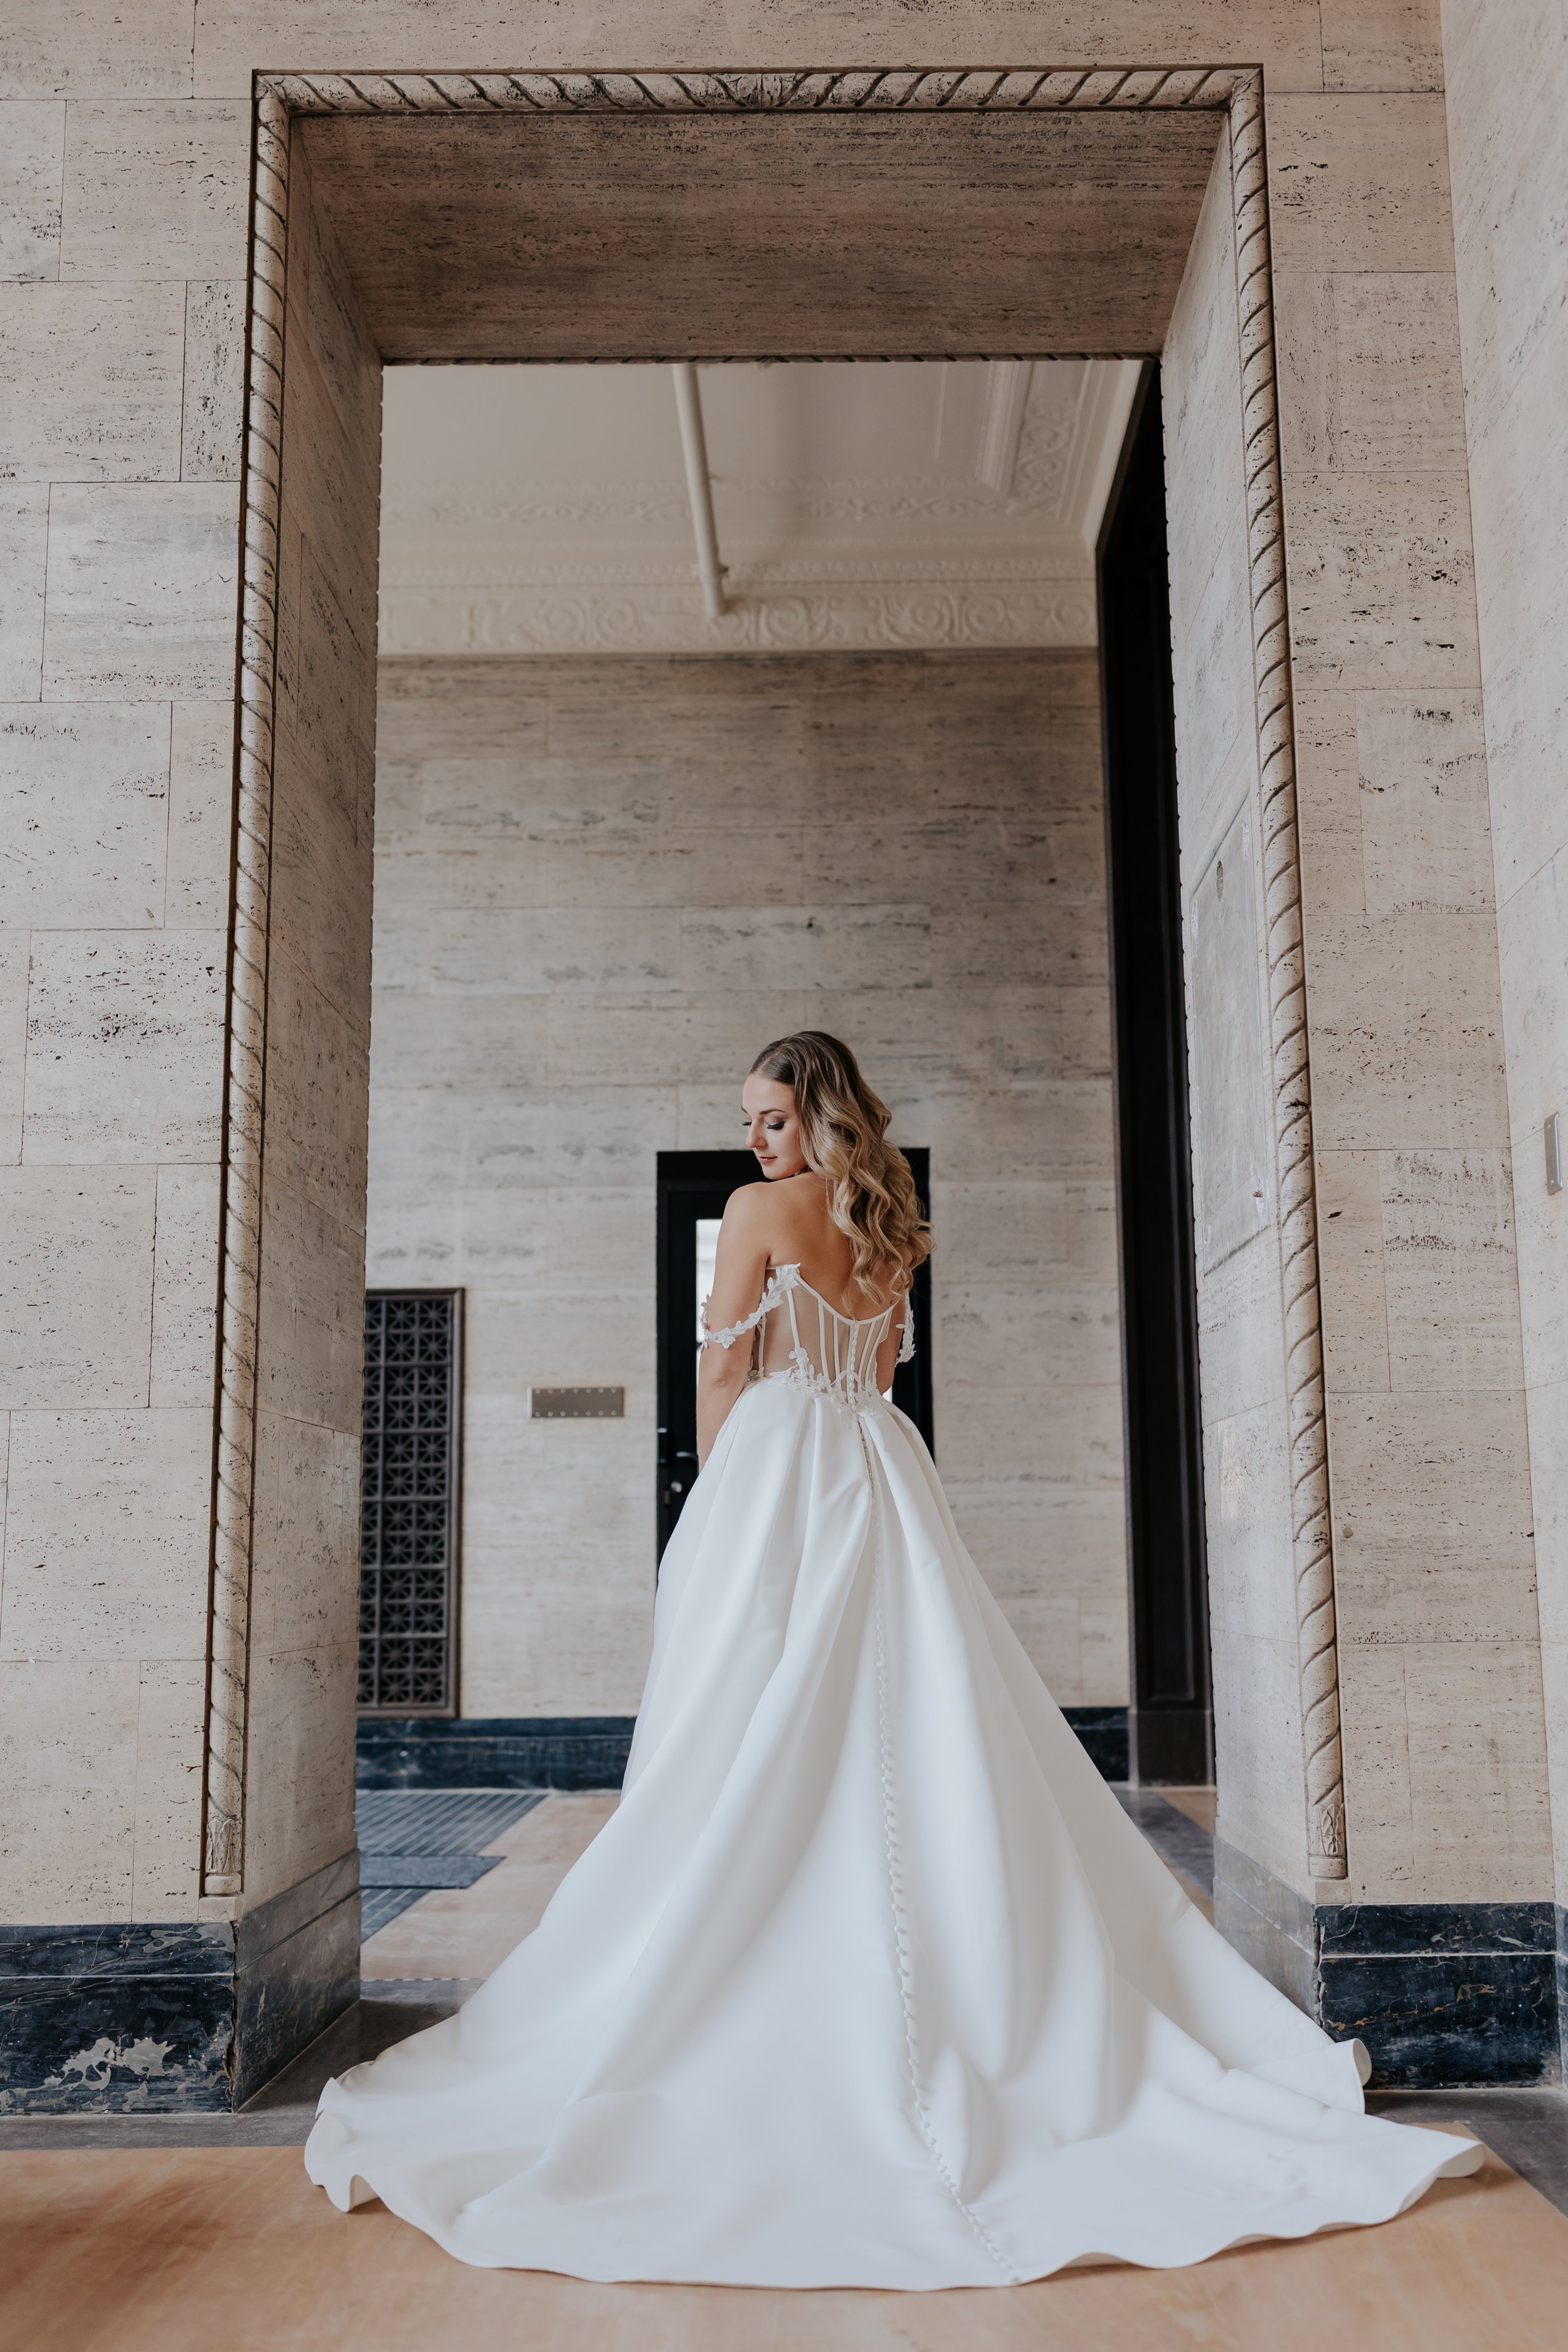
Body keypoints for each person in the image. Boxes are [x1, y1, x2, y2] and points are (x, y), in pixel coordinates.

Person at [305, 1030, 1475, 2285]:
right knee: (913, 1718)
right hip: (878, 1469)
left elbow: (723, 1365)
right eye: (748, 1124)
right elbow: (871, 1373)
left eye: (766, 1118)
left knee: (750, 1717)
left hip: (778, 1472)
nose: (751, 1141)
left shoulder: (756, 1213)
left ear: (813, 1114)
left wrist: (715, 1495)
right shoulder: (892, 1220)